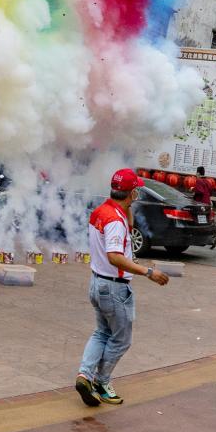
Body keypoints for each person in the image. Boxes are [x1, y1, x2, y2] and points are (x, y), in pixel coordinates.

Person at [75, 169, 170, 407]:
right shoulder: (115, 221)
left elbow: (127, 229)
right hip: (114, 288)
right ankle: (100, 382)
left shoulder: (102, 212)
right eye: (135, 190)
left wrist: (128, 207)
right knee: (121, 340)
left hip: (97, 283)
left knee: (102, 333)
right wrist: (148, 272)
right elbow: (115, 257)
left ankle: (84, 375)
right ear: (131, 193)